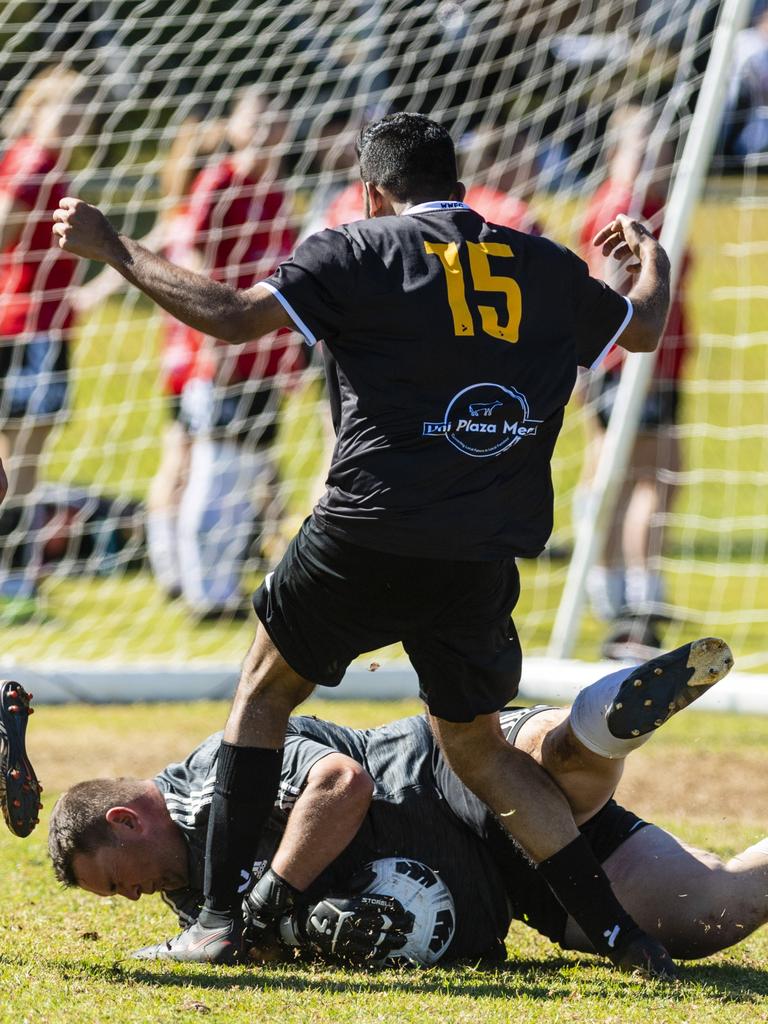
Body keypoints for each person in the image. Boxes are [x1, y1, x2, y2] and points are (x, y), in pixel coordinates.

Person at [52, 111, 673, 975]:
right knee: (478, 747)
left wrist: (115, 249)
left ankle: (223, 921)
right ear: (457, 182)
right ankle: (622, 936)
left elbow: (230, 317)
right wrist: (653, 266)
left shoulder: (354, 247)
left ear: (375, 190)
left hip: (367, 530)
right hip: (482, 547)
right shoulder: (540, 259)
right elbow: (640, 330)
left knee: (264, 697)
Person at [48, 637, 762, 970]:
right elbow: (259, 945)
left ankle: (597, 724)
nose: (133, 898)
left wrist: (269, 905)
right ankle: (601, 727)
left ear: (126, 819)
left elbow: (340, 786)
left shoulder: (212, 779)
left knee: (551, 770)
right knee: (706, 915)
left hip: (439, 780)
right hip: (496, 886)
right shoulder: (187, 892)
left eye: (117, 882)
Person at [577, 105, 692, 658]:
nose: (658, 155)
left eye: (662, 144)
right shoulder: (625, 207)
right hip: (635, 365)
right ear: (620, 148)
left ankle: (616, 595)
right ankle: (636, 605)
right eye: (643, 144)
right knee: (651, 476)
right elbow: (610, 293)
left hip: (642, 364)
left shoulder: (641, 202)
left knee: (623, 474)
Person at [0, 67, 88, 624]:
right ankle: (13, 583)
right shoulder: (35, 163)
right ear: (39, 108)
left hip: (37, 327)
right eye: (69, 106)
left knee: (21, 461)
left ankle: (17, 577)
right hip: (29, 330)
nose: (81, 117)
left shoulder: (38, 160)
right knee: (23, 463)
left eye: (87, 106)